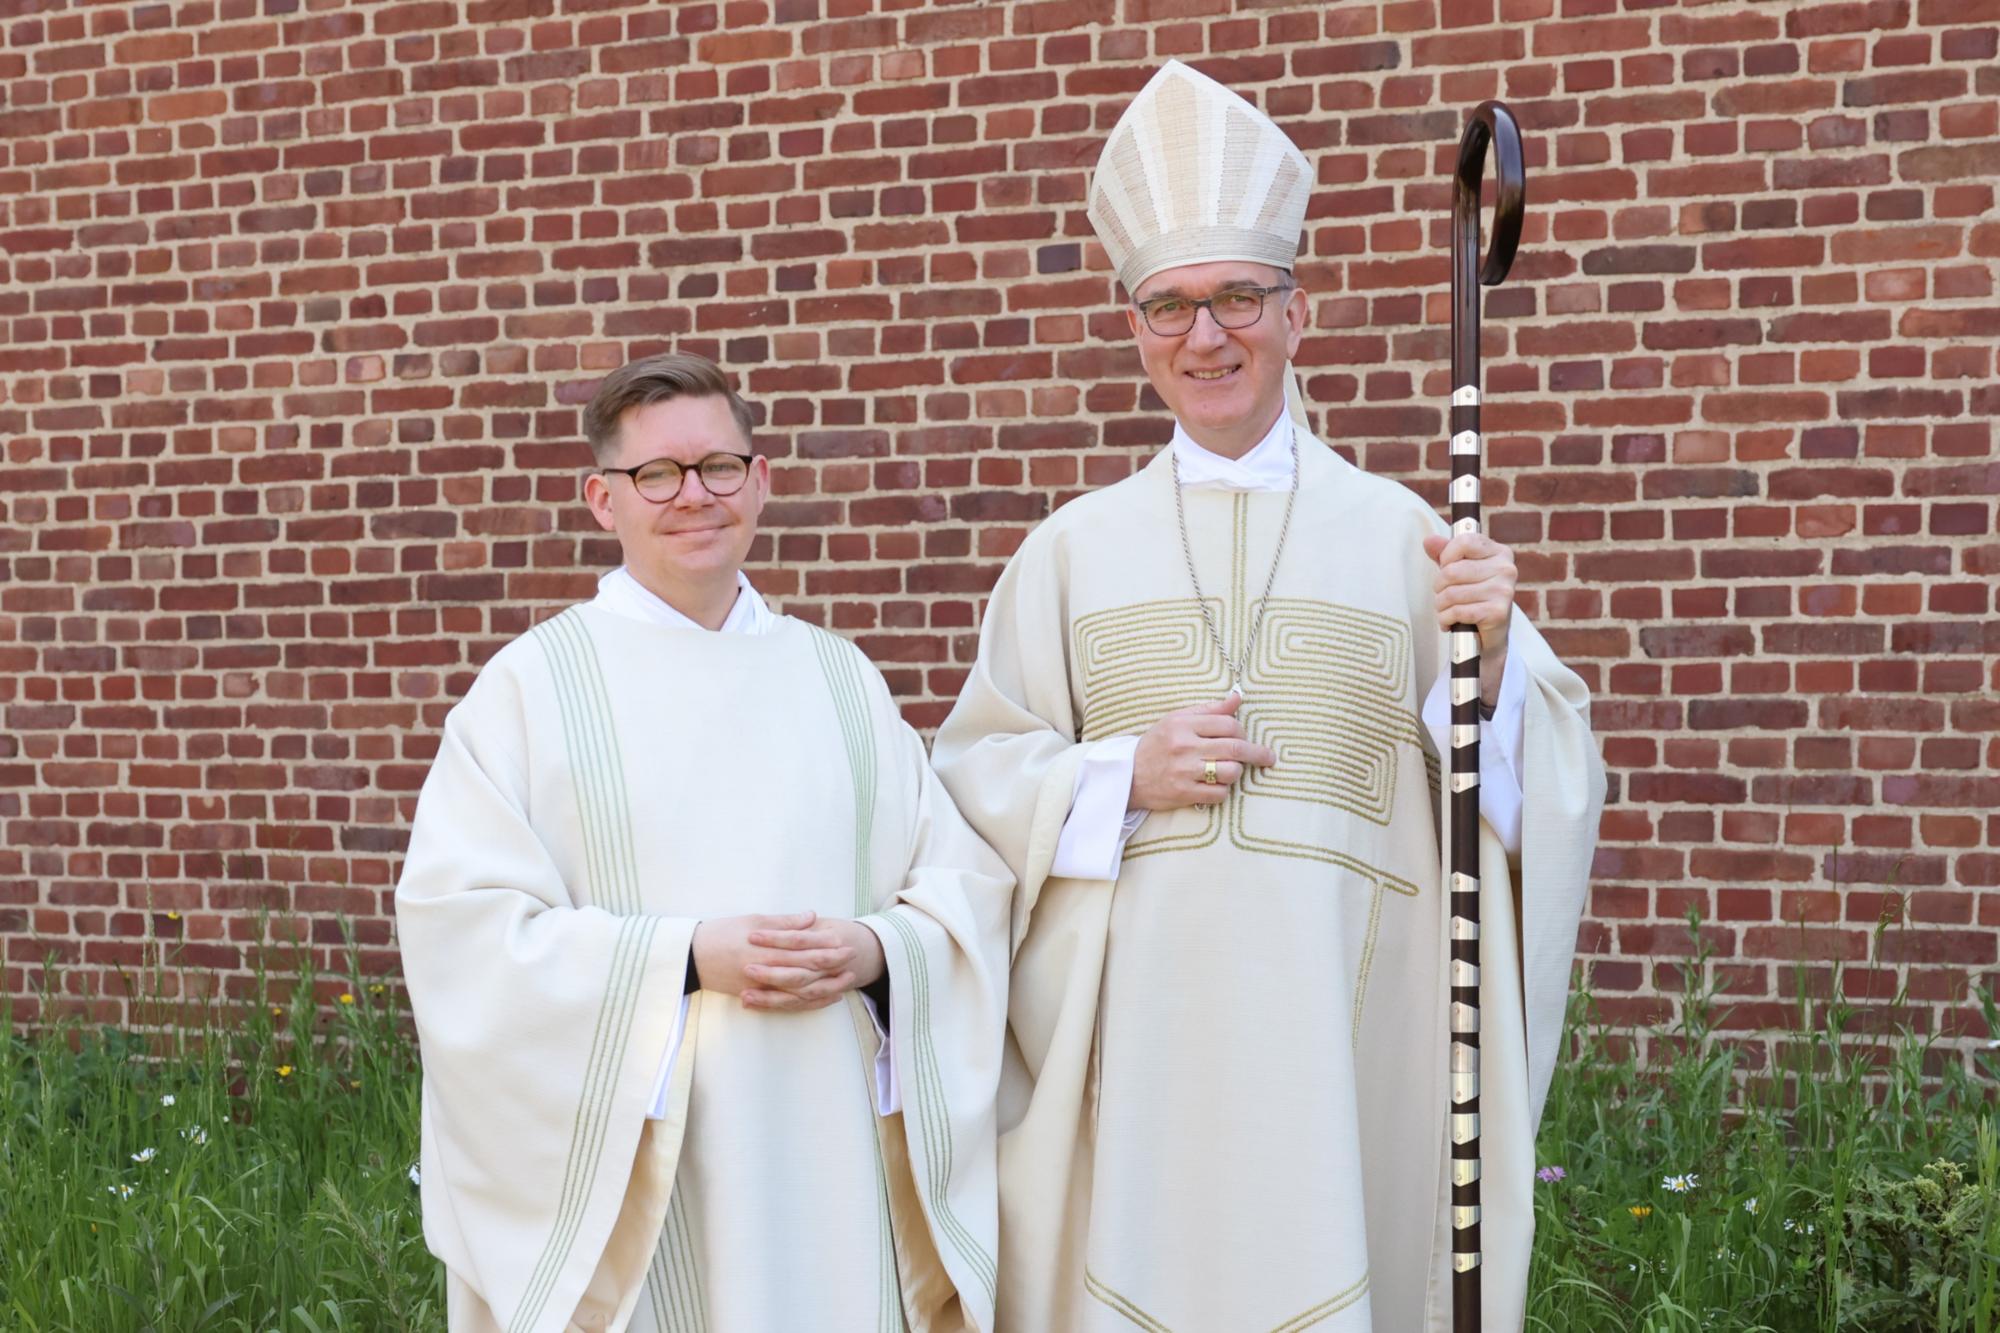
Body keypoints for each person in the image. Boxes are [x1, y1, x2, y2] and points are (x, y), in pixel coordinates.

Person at [931, 62, 1605, 1332]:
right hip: (1138, 1049)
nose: (1205, 337)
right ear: (1134, 329)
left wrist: (1500, 659)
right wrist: (1116, 775)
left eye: (1238, 296)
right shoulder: (1069, 550)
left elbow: (1524, 794)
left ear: (1297, 314)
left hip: (1345, 1038)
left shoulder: (1410, 537)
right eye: (1170, 306)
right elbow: (969, 783)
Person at [396, 352, 1012, 1333]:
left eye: (718, 467)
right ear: (602, 499)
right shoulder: (531, 688)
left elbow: (957, 886)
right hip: (653, 1162)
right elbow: (463, 933)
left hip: (828, 1146)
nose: (693, 495)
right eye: (657, 475)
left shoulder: (840, 677)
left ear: (758, 481)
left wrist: (874, 949)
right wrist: (683, 956)